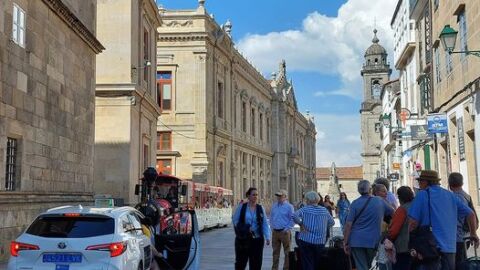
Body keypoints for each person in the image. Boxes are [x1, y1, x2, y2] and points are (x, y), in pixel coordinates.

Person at [408, 170, 479, 270]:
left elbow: (412, 222)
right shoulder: (451, 195)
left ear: (426, 182)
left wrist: (411, 240)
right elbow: (471, 214)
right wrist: (473, 233)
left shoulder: (422, 195)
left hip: (429, 247)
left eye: (420, 181)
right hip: (450, 248)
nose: (419, 184)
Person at [343, 180, 394, 270]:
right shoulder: (379, 201)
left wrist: (345, 242)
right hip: (373, 240)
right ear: (370, 189)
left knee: (362, 266)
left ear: (359, 191)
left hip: (356, 240)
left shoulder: (355, 203)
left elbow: (348, 224)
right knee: (368, 265)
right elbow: (393, 212)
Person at [293, 191, 335, 270]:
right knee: (317, 262)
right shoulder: (324, 210)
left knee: (307, 262)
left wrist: (301, 224)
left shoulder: (305, 209)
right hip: (320, 241)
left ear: (308, 200)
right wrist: (323, 227)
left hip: (306, 239)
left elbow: (294, 215)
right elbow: (332, 222)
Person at [232, 187, 271, 270]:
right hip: (243, 240)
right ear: (248, 196)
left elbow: (264, 223)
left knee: (256, 265)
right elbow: (235, 220)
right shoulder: (242, 207)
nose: (255, 196)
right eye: (253, 195)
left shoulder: (260, 208)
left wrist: (267, 237)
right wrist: (244, 228)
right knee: (240, 264)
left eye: (257, 195)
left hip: (257, 240)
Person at [448, 172, 479, 269]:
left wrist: (473, 233)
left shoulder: (455, 197)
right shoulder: (466, 195)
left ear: (449, 184)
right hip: (466, 234)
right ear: (462, 183)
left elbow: (469, 215)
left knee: (459, 264)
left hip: (459, 236)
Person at [387, 186, 415, 270]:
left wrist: (387, 237)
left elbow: (394, 230)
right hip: (416, 246)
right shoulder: (416, 206)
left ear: (400, 197)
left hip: (403, 247)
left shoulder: (402, 209)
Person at [270, 189, 294, 270]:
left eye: (280, 196)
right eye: (277, 196)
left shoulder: (289, 207)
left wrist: (287, 229)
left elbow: (292, 219)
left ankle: (286, 268)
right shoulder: (274, 205)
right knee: (275, 252)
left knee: (287, 252)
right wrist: (272, 227)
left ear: (285, 197)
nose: (278, 197)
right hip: (275, 232)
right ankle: (274, 268)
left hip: (284, 232)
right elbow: (271, 217)